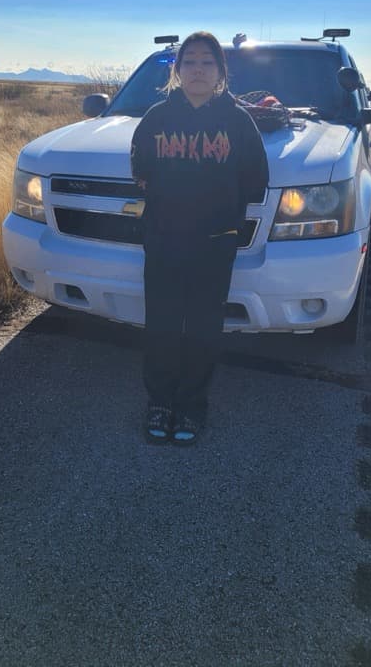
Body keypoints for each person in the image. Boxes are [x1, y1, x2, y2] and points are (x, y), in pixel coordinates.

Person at [130, 31, 269, 445]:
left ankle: (192, 406)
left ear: (221, 73)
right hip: (164, 239)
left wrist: (220, 209)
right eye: (189, 61)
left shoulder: (238, 122)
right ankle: (159, 401)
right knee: (162, 324)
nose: (197, 69)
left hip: (216, 241)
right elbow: (141, 172)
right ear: (176, 71)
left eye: (207, 62)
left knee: (204, 328)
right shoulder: (156, 118)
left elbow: (256, 179)